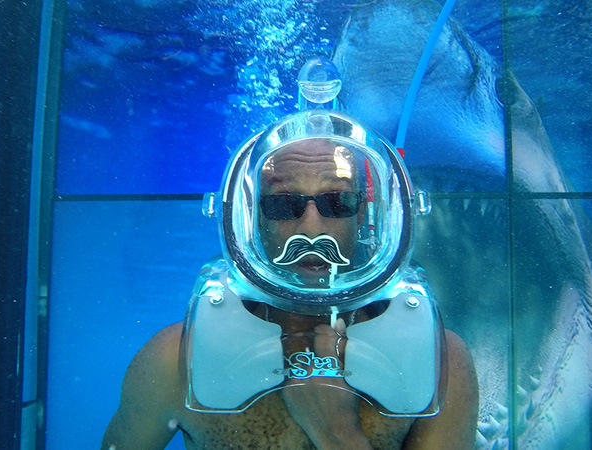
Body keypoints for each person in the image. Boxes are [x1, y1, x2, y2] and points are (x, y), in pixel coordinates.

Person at [101, 109, 479, 449]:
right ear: (252, 220)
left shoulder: (439, 363)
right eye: (283, 204)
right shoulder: (175, 361)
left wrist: (336, 434)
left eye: (336, 203)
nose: (312, 229)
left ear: (365, 217)